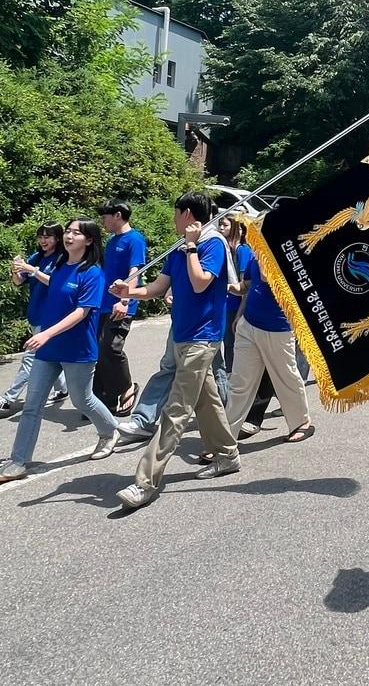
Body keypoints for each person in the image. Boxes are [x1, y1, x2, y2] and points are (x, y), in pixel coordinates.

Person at [111, 192, 241, 510]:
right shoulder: (178, 248)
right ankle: (227, 456)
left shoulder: (211, 244)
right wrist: (131, 292)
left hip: (203, 338)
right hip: (181, 335)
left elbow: (200, 283)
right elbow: (159, 286)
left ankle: (145, 481)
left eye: (175, 214)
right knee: (206, 401)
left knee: (177, 408)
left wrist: (193, 246)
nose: (173, 220)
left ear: (186, 214)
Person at [0, 218, 119, 484]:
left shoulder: (92, 273)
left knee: (82, 400)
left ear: (89, 240)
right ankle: (18, 461)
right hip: (48, 349)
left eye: (76, 233)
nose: (69, 236)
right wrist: (22, 272)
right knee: (32, 405)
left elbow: (82, 312)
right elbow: (36, 285)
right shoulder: (57, 264)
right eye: (67, 231)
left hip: (77, 349)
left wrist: (45, 333)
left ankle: (109, 430)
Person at [223, 253, 314, 443]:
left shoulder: (285, 253)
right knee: (240, 382)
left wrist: (264, 249)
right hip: (249, 323)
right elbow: (247, 286)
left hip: (277, 326)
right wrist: (228, 288)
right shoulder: (255, 254)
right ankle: (225, 435)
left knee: (285, 376)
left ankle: (301, 423)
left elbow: (267, 276)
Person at [0, 222, 68, 413]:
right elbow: (19, 282)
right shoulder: (36, 257)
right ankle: (62, 389)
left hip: (53, 316)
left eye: (47, 236)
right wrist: (16, 272)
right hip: (36, 313)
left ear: (57, 238)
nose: (43, 240)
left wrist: (32, 270)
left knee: (30, 357)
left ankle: (7, 399)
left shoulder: (62, 259)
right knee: (47, 355)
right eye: (40, 236)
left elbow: (56, 283)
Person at [95, 200, 147, 417]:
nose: (103, 221)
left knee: (112, 347)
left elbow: (135, 270)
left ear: (117, 215)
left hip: (121, 304)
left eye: (105, 216)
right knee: (99, 349)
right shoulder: (112, 240)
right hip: (104, 303)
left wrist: (125, 300)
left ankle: (127, 389)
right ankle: (102, 398)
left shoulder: (135, 239)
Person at [214, 215, 253, 405]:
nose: (221, 227)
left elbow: (245, 287)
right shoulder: (225, 249)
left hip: (234, 307)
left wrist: (239, 314)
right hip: (223, 306)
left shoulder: (242, 251)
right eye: (220, 224)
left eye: (225, 224)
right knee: (224, 348)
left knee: (232, 349)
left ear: (237, 228)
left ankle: (234, 395)